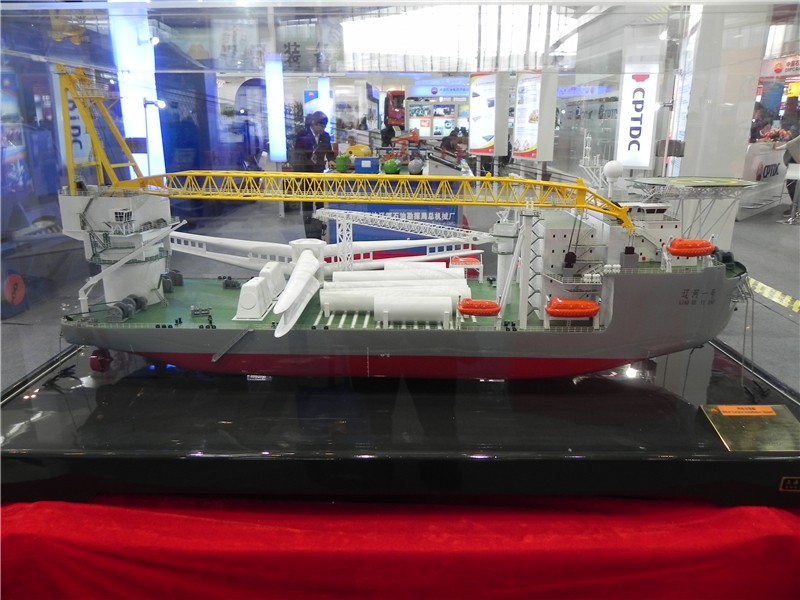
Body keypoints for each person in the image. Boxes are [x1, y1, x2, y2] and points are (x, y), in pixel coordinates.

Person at [292, 111, 333, 237]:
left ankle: (320, 230)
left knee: (320, 203)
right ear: (313, 123)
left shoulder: (325, 136)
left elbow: (329, 152)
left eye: (324, 126)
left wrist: (331, 160)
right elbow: (297, 155)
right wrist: (298, 176)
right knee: (307, 203)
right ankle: (309, 233)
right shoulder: (302, 135)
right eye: (320, 126)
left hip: (318, 173)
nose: (322, 129)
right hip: (305, 174)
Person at [773, 132, 800, 215]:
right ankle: (795, 207)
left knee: (791, 185)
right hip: (795, 164)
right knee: (793, 186)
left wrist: (777, 148)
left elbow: (790, 144)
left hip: (795, 165)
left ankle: (795, 208)